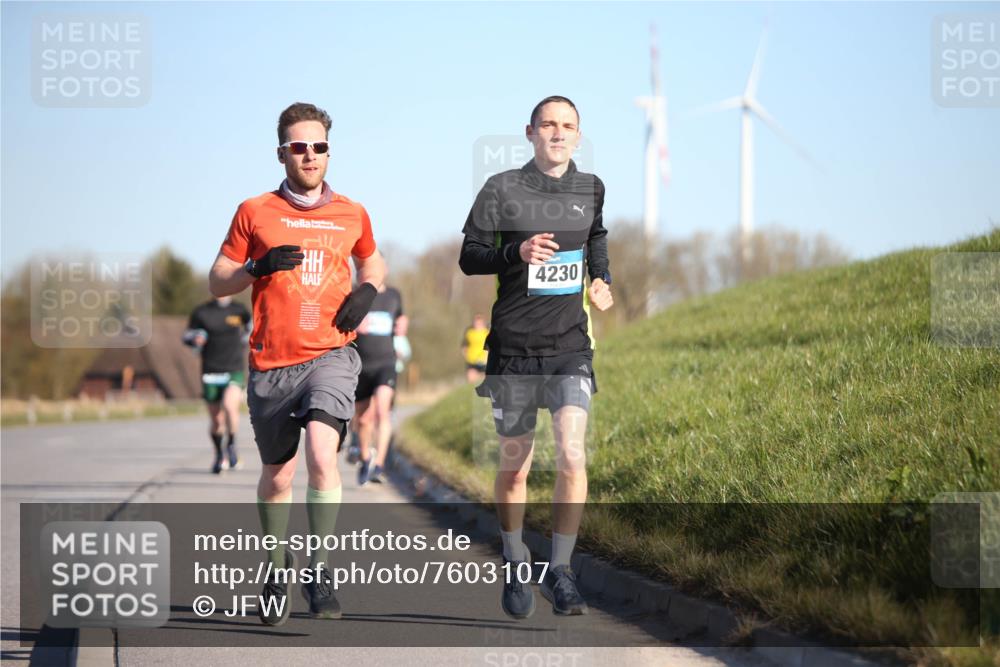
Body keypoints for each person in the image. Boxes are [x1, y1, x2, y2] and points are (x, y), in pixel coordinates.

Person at [208, 102, 386, 626]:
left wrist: (369, 288)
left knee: (322, 455)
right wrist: (254, 267)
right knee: (278, 477)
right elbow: (218, 279)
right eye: (299, 147)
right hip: (271, 364)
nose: (310, 155)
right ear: (282, 152)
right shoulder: (254, 210)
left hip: (331, 353)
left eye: (319, 146)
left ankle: (320, 568)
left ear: (330, 151)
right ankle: (276, 564)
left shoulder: (352, 211)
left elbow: (371, 257)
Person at [458, 96, 613, 619]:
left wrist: (602, 278)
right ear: (530, 132)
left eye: (568, 126)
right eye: (548, 124)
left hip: (569, 346)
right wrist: (515, 253)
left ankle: (563, 571)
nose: (558, 133)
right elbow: (469, 255)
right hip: (514, 350)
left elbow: (596, 237)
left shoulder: (591, 188)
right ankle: (513, 552)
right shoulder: (501, 188)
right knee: (515, 467)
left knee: (572, 453)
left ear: (578, 134)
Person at [182, 296, 252, 474]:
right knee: (216, 420)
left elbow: (252, 329)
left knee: (230, 406)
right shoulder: (202, 312)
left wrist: (245, 342)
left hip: (233, 368)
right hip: (210, 370)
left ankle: (231, 446)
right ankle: (219, 454)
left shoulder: (239, 310)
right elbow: (187, 335)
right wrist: (195, 339)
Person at [352, 284, 405, 485]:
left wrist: (402, 324)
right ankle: (365, 457)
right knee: (364, 419)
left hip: (386, 362)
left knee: (383, 411)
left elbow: (401, 317)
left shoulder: (393, 294)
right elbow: (338, 322)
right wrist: (354, 325)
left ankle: (379, 465)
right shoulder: (355, 293)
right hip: (360, 364)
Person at [461, 314, 489, 383]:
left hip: (485, 361)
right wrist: (466, 356)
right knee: (471, 379)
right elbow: (464, 346)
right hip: (472, 360)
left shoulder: (488, 332)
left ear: (483, 322)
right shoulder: (469, 332)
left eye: (479, 321)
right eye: (476, 321)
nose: (478, 323)